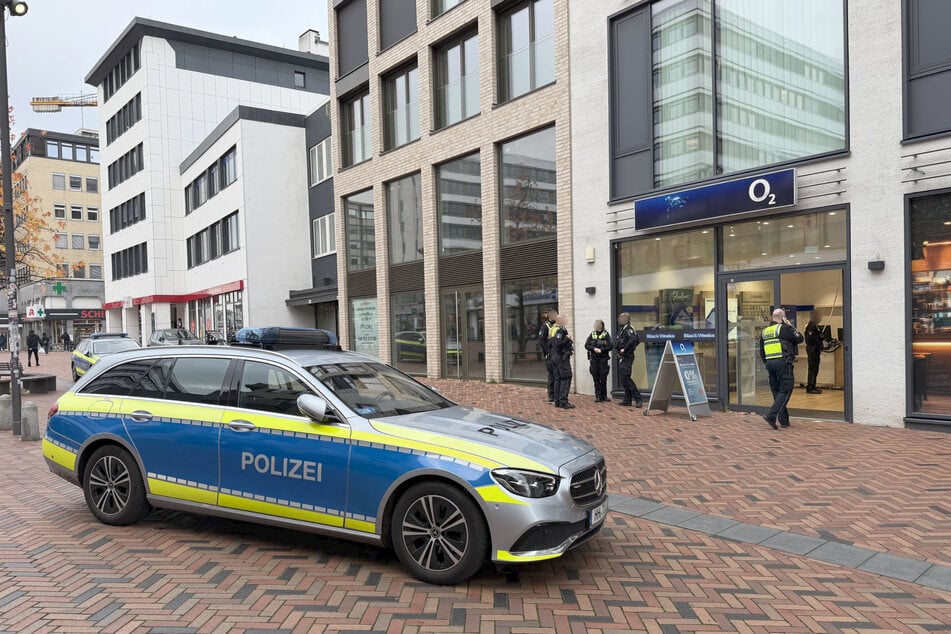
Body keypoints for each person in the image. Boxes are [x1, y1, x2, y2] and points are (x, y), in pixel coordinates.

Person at [759, 308, 805, 429]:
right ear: (783, 318)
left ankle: (784, 421)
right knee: (786, 390)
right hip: (783, 363)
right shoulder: (784, 329)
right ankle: (772, 415)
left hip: (770, 364)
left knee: (777, 391)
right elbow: (800, 338)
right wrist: (790, 326)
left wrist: (767, 362)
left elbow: (761, 351)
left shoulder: (765, 331)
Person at [614, 312, 643, 408]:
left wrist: (625, 349)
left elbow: (634, 340)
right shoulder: (623, 329)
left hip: (627, 356)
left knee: (626, 378)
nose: (620, 320)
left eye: (622, 318)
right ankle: (627, 400)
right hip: (622, 357)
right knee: (623, 378)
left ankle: (638, 398)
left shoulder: (629, 328)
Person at [550, 314, 575, 409]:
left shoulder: (553, 330)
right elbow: (557, 344)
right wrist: (567, 339)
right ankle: (563, 402)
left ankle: (557, 401)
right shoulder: (559, 330)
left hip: (555, 357)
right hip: (560, 357)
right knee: (566, 377)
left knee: (558, 379)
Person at [585, 320, 612, 402]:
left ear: (601, 325)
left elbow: (611, 346)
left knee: (603, 377)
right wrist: (594, 348)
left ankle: (604, 396)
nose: (596, 326)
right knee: (595, 377)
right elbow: (586, 345)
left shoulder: (606, 334)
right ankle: (598, 395)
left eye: (597, 324)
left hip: (603, 359)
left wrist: (602, 350)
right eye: (595, 324)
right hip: (594, 359)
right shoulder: (592, 334)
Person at [537, 308, 558, 403]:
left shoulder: (558, 325)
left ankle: (557, 395)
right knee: (552, 375)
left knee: (558, 374)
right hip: (550, 355)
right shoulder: (546, 326)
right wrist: (548, 352)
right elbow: (541, 341)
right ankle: (551, 395)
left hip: (558, 354)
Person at [803, 310, 825, 394]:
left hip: (815, 349)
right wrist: (819, 337)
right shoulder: (811, 325)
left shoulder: (815, 325)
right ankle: (810, 387)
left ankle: (813, 385)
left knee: (815, 368)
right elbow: (809, 339)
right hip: (812, 349)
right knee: (813, 368)